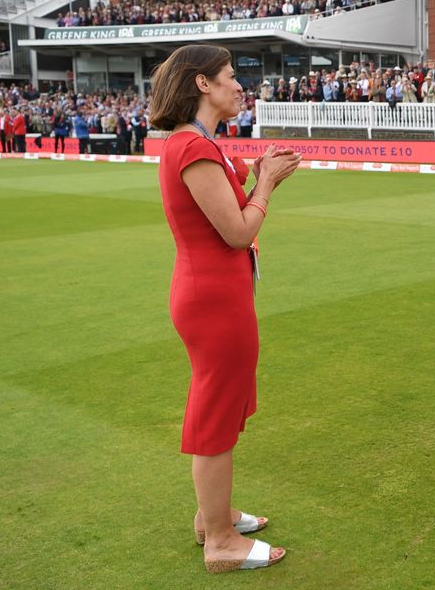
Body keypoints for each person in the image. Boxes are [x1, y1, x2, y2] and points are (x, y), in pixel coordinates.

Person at [152, 44, 299, 574]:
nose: (240, 86)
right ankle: (219, 540)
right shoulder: (192, 147)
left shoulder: (199, 144)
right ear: (202, 85)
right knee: (215, 411)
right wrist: (267, 184)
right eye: (231, 77)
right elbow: (238, 232)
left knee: (224, 405)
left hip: (217, 294)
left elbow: (228, 204)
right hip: (211, 298)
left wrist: (255, 173)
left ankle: (213, 516)